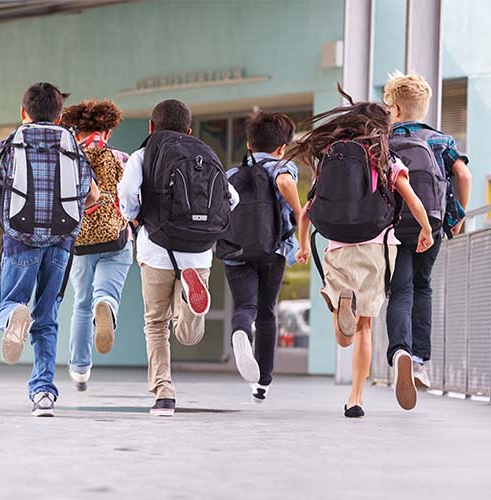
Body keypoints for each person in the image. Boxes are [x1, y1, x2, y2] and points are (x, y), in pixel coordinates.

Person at [293, 88, 433, 418]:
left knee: (345, 335)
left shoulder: (330, 157)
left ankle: (344, 309)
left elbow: (307, 211)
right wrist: (426, 229)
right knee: (365, 327)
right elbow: (412, 199)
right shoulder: (386, 158)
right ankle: (357, 397)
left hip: (337, 246)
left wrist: (302, 245)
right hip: (377, 246)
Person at [119, 99, 239, 417]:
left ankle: (164, 394)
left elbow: (127, 192)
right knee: (189, 335)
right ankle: (189, 301)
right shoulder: (205, 153)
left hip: (156, 249)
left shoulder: (143, 154)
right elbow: (233, 198)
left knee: (156, 324)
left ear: (151, 127)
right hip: (198, 254)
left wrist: (132, 216)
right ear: (189, 129)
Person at [0, 83, 99, 417]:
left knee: (7, 303)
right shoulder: (71, 143)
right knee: (47, 317)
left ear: (23, 112)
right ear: (60, 115)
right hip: (61, 240)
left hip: (20, 237)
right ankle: (43, 394)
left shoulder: (13, 141)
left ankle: (13, 315)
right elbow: (92, 194)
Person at [383, 71, 472, 408]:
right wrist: (457, 217)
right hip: (430, 228)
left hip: (393, 228)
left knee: (400, 290)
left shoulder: (383, 141)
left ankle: (400, 351)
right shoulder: (441, 141)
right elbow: (463, 174)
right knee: (422, 287)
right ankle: (419, 361)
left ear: (395, 109)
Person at [221, 111, 304, 403]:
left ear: (248, 144)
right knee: (267, 312)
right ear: (282, 147)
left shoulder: (230, 174)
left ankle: (241, 332)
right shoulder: (283, 166)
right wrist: (300, 213)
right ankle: (262, 383)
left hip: (236, 251)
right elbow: (285, 184)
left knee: (246, 306)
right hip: (273, 250)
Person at [59, 99, 132, 392]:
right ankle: (107, 305)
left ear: (76, 130)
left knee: (81, 304)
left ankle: (79, 369)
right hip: (116, 238)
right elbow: (133, 199)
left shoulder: (68, 158)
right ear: (108, 130)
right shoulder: (120, 157)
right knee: (106, 293)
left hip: (79, 242)